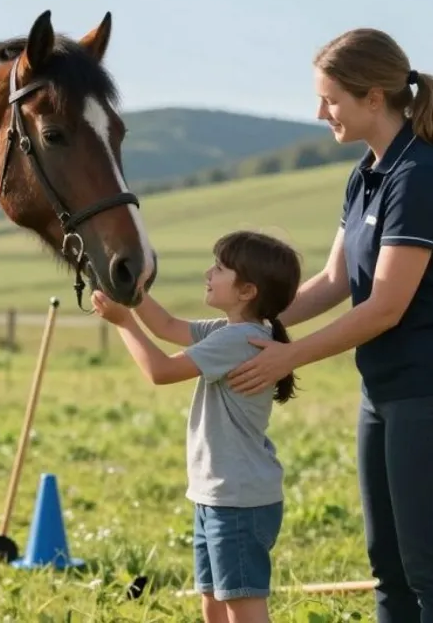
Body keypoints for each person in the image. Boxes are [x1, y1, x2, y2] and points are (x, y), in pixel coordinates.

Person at [225, 28, 433, 622]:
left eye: (332, 100)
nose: (321, 113)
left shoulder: (419, 175)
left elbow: (385, 306)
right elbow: (333, 282)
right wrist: (244, 324)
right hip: (386, 392)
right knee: (389, 568)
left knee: (432, 569)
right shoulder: (367, 173)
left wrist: (287, 356)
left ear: (374, 97)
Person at [91, 230, 302, 623]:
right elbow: (166, 325)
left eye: (220, 268)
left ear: (247, 291)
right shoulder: (231, 331)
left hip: (237, 499)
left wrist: (123, 323)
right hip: (217, 495)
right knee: (213, 600)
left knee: (243, 607)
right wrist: (128, 286)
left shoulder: (241, 340)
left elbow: (161, 370)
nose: (209, 272)